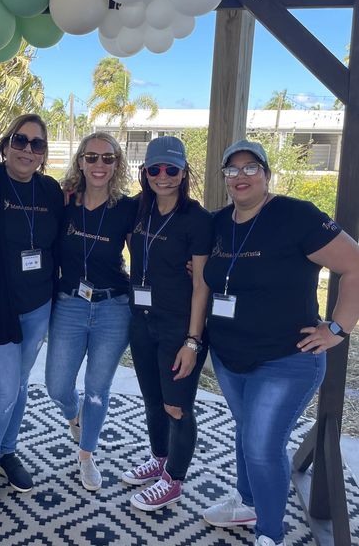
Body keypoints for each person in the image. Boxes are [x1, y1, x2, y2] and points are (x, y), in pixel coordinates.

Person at [202, 140, 359, 546]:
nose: (240, 176)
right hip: (230, 355)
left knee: (259, 445)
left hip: (287, 359)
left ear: (267, 174)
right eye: (232, 169)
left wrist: (338, 329)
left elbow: (355, 264)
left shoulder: (296, 215)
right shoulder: (218, 223)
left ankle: (269, 534)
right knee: (246, 430)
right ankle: (248, 501)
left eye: (250, 168)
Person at [0, 114, 64, 506]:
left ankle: (7, 452)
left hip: (38, 304)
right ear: (7, 145)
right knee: (5, 389)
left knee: (20, 385)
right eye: (20, 141)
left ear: (43, 154)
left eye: (37, 144)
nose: (27, 149)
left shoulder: (52, 191)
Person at [122, 137, 213, 511]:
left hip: (179, 326)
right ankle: (159, 459)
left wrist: (192, 341)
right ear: (144, 173)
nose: (163, 177)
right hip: (141, 321)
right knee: (152, 401)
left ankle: (174, 479)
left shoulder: (197, 219)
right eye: (154, 169)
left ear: (183, 173)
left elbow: (200, 284)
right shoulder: (137, 210)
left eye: (171, 170)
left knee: (177, 406)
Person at [46, 131, 137, 491]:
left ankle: (87, 456)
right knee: (57, 385)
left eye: (108, 158)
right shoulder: (64, 202)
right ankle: (75, 418)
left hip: (113, 306)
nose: (100, 165)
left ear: (117, 165)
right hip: (69, 303)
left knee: (97, 388)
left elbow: (152, 248)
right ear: (80, 161)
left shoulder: (128, 208)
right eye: (92, 157)